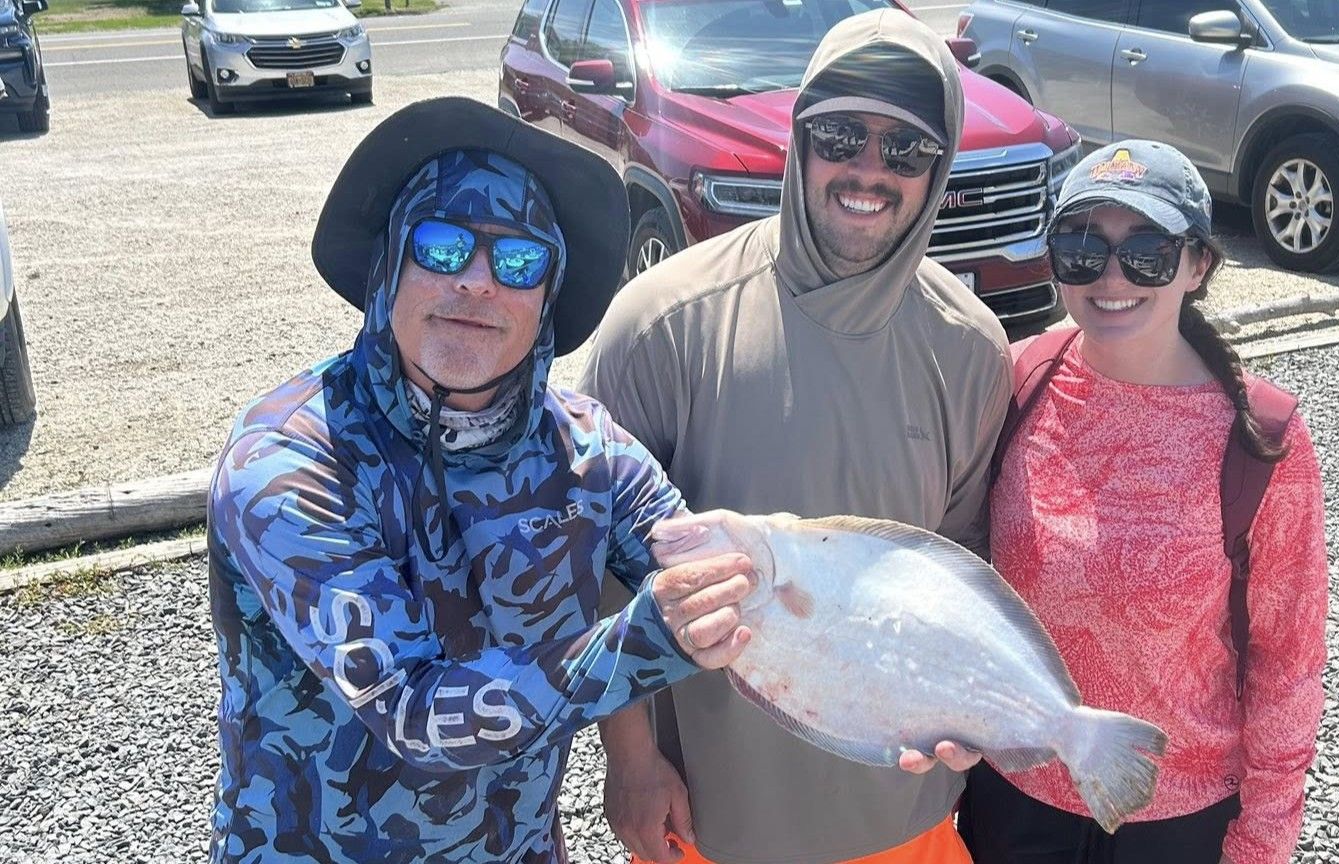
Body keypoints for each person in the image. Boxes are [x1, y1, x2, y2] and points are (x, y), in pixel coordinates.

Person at [205, 98, 756, 864]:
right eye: (440, 245)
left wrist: (913, 696)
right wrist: (647, 640)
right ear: (388, 265)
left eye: (520, 261)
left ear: (547, 302)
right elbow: (410, 709)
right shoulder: (290, 457)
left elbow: (725, 574)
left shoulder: (589, 448)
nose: (477, 282)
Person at [579, 10, 1009, 864]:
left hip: (907, 814)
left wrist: (972, 713)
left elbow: (959, 567)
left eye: (906, 151)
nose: (868, 171)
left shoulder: (970, 347)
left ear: (939, 167)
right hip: (714, 815)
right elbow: (589, 562)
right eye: (842, 135)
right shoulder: (662, 322)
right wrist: (630, 761)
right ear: (799, 140)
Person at [962, 140, 1329, 864]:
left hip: (1177, 821)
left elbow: (1288, 663)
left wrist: (1262, 842)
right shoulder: (1017, 379)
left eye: (1147, 251)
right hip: (1013, 800)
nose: (1111, 276)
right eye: (1082, 247)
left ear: (1198, 266)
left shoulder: (1259, 437)